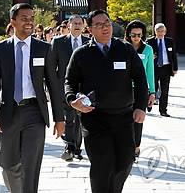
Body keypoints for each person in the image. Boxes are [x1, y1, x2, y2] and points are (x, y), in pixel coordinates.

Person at [65, 10, 148, 193]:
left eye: (107, 23)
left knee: (125, 162)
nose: (105, 28)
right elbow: (69, 82)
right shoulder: (81, 54)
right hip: (94, 118)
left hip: (123, 117)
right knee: (103, 163)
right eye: (99, 25)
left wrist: (140, 107)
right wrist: (73, 100)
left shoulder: (125, 49)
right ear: (89, 29)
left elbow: (141, 79)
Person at [0, 3, 65, 193]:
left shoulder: (43, 48)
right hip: (8, 113)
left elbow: (54, 85)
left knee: (30, 165)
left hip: (34, 113)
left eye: (31, 18)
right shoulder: (0, 48)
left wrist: (59, 118)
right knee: (8, 164)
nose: (29, 22)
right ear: (13, 21)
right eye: (24, 18)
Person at [48, 14, 90, 162]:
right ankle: (69, 146)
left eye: (80, 23)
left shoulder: (89, 42)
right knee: (69, 118)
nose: (77, 25)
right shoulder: (58, 42)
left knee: (80, 118)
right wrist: (53, 85)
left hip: (83, 87)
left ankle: (76, 148)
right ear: (69, 26)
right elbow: (51, 66)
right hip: (64, 86)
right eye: (75, 23)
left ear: (84, 26)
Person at [124, 20, 156, 160]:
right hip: (124, 88)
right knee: (124, 118)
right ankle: (125, 146)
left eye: (139, 35)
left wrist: (153, 92)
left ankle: (136, 146)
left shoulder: (148, 49)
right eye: (133, 35)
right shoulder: (123, 47)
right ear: (128, 34)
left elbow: (150, 72)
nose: (136, 38)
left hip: (141, 89)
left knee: (138, 119)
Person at [146, 23, 178, 116]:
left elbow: (174, 55)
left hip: (166, 68)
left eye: (162, 31)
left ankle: (163, 110)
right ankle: (149, 104)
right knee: (153, 88)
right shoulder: (150, 41)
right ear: (155, 32)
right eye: (158, 31)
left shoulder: (169, 41)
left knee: (165, 90)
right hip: (154, 68)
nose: (160, 33)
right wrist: (151, 57)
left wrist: (175, 68)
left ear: (165, 32)